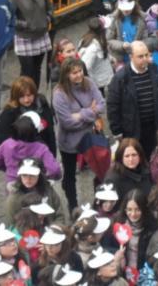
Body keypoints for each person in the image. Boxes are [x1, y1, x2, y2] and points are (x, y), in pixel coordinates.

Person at [52, 58, 105, 210]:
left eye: (80, 71)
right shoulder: (59, 94)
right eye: (74, 73)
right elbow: (67, 122)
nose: (78, 75)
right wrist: (90, 112)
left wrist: (80, 114)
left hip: (90, 138)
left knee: (100, 170)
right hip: (70, 142)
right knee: (69, 176)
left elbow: (101, 105)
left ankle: (100, 202)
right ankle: (73, 205)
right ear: (66, 74)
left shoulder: (89, 82)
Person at [107, 41, 158, 157]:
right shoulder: (120, 78)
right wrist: (117, 131)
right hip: (133, 129)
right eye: (140, 56)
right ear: (131, 57)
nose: (144, 59)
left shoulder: (154, 70)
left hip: (154, 126)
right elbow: (113, 106)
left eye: (146, 55)